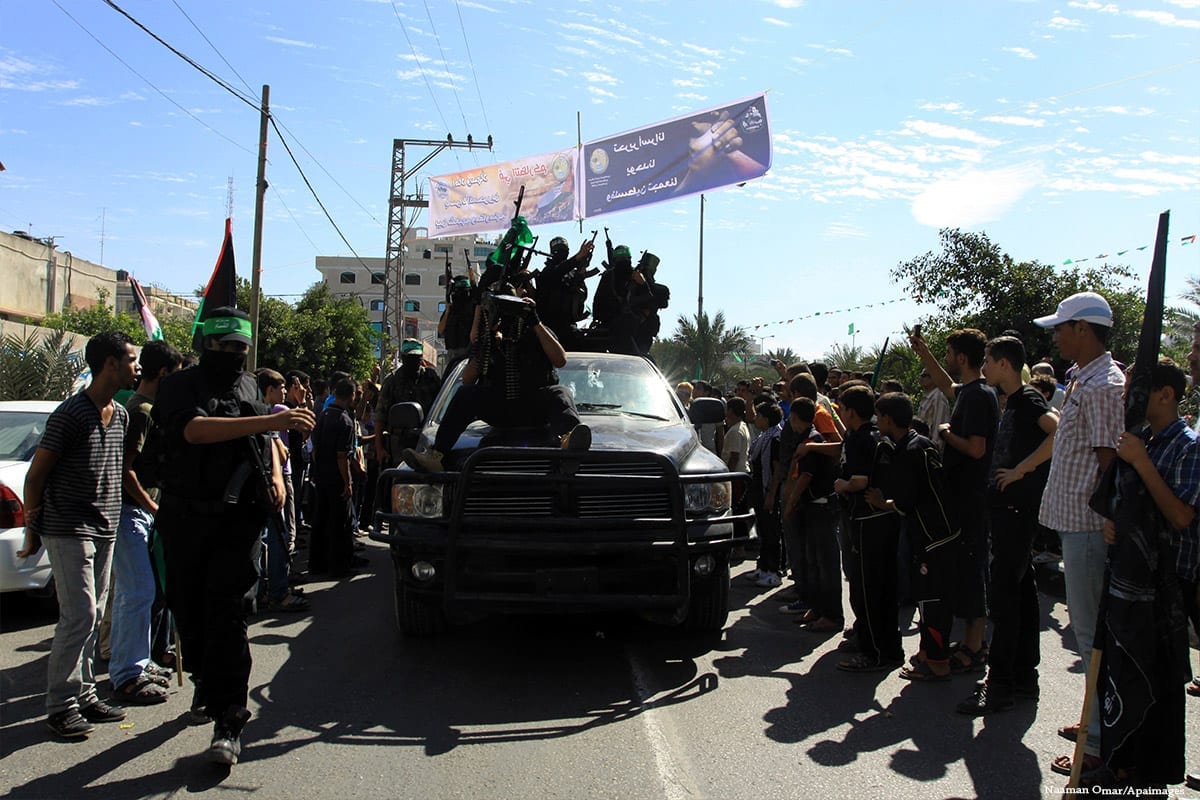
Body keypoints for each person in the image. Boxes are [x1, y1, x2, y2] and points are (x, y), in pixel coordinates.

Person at [153, 307, 314, 766]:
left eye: (240, 348)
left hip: (237, 521)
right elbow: (194, 430)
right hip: (185, 519)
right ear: (207, 344)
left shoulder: (247, 387)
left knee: (228, 615)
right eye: (225, 347)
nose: (233, 355)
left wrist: (276, 476)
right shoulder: (179, 386)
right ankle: (205, 680)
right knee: (189, 611)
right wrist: (271, 423)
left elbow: (262, 439)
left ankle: (230, 720)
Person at [19, 331, 138, 738]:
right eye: (131, 360)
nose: (136, 367)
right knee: (80, 615)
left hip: (106, 527)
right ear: (110, 364)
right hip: (68, 528)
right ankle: (61, 705)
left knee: (95, 613)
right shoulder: (70, 415)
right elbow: (35, 476)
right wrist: (32, 531)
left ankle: (86, 694)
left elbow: (117, 471)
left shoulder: (120, 415)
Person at [1030, 292, 1125, 777]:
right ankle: (1095, 722)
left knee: (1091, 638)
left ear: (1083, 329)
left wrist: (1111, 519)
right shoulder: (1083, 378)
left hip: (1090, 528)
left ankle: (1100, 744)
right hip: (1076, 525)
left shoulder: (1104, 385)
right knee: (1089, 635)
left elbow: (1110, 463)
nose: (1056, 337)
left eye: (1061, 328)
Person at [1094, 360, 1197, 788]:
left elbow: (1180, 516)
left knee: (1162, 689)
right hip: (1132, 584)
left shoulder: (1187, 446)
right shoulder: (1141, 440)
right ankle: (1123, 764)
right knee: (1128, 677)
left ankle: (1153, 781)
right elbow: (1128, 503)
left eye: (1136, 391)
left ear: (1165, 395)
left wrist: (1141, 461)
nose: (1127, 398)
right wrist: (1115, 523)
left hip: (1171, 584)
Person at [958, 336, 1057, 713]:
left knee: (1004, 599)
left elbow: (1058, 429)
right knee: (1021, 596)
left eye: (987, 360)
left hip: (1016, 510)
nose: (983, 366)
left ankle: (999, 684)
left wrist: (1021, 470)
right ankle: (1022, 678)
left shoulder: (1028, 398)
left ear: (1004, 364)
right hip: (1009, 511)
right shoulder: (1013, 400)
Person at [403, 293, 590, 472]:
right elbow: (467, 380)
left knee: (560, 393)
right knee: (466, 394)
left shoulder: (537, 333)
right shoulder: (489, 340)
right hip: (501, 409)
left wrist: (535, 322)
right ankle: (437, 456)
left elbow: (560, 360)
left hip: (533, 408)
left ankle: (569, 445)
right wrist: (486, 342)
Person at [911, 327, 998, 674]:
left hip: (972, 499)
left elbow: (976, 449)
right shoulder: (971, 392)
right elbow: (949, 386)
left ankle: (975, 646)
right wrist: (924, 353)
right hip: (962, 498)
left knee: (974, 572)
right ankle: (969, 642)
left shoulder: (979, 396)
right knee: (965, 570)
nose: (946, 360)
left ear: (962, 357)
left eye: (948, 354)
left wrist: (946, 433)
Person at [109, 339, 182, 707]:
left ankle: (140, 661)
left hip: (141, 513)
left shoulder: (150, 409)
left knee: (145, 593)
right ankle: (127, 673)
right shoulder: (141, 411)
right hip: (130, 513)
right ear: (165, 374)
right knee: (136, 593)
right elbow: (126, 471)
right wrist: (152, 506)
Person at [869, 392, 960, 682]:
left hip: (933, 535)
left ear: (888, 419)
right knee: (927, 597)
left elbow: (907, 501)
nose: (876, 421)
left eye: (879, 416)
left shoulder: (909, 450)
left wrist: (882, 503)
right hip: (936, 532)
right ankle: (926, 652)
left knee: (932, 601)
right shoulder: (917, 443)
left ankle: (937, 663)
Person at [834, 385, 904, 672]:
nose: (840, 413)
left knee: (869, 589)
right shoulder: (876, 436)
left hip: (867, 521)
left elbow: (859, 481)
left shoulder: (862, 439)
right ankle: (875, 640)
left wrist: (842, 485)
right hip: (882, 519)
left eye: (842, 408)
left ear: (851, 411)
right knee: (879, 587)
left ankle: (875, 652)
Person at [782, 398, 841, 634]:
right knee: (813, 562)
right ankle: (817, 608)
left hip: (821, 507)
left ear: (796, 417)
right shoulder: (806, 439)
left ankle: (831, 615)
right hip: (811, 509)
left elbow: (806, 476)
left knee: (825, 565)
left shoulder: (813, 440)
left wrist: (790, 503)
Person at [256, 369, 308, 611]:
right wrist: (302, 401)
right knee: (280, 535)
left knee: (266, 538)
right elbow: (302, 432)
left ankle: (265, 590)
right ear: (270, 390)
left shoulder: (257, 412)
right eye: (282, 388)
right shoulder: (273, 412)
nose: (285, 392)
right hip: (276, 480)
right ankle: (278, 590)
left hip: (264, 480)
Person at [374, 340, 442, 467]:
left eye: (416, 358)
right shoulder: (392, 381)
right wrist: (379, 449)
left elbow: (442, 406)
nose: (413, 362)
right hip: (399, 442)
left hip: (427, 438)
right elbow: (380, 417)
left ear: (421, 358)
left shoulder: (430, 378)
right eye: (409, 358)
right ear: (403, 358)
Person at [534, 236, 596, 349]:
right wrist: (578, 257)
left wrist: (580, 277)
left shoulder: (572, 274)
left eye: (565, 251)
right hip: (549, 326)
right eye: (559, 251)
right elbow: (559, 271)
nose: (563, 254)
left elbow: (581, 296)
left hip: (568, 325)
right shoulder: (547, 272)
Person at [916, 368, 951, 451]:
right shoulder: (927, 397)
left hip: (931, 449)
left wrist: (933, 449)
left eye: (925, 376)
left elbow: (939, 424)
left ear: (935, 378)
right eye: (921, 375)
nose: (921, 378)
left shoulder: (938, 396)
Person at [721, 397, 750, 473]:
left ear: (730, 411)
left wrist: (729, 475)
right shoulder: (743, 426)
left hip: (737, 473)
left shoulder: (735, 431)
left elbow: (734, 457)